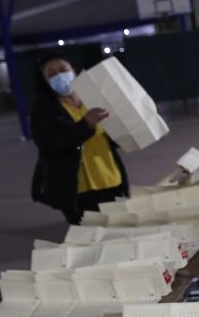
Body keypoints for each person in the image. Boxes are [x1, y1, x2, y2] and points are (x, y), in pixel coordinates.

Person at [30, 51, 129, 225]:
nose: (59, 76)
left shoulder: (95, 99)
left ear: (74, 71)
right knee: (87, 234)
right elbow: (48, 146)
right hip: (76, 187)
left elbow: (114, 137)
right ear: (45, 80)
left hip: (108, 177)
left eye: (63, 70)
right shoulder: (43, 110)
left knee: (118, 229)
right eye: (51, 74)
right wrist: (85, 126)